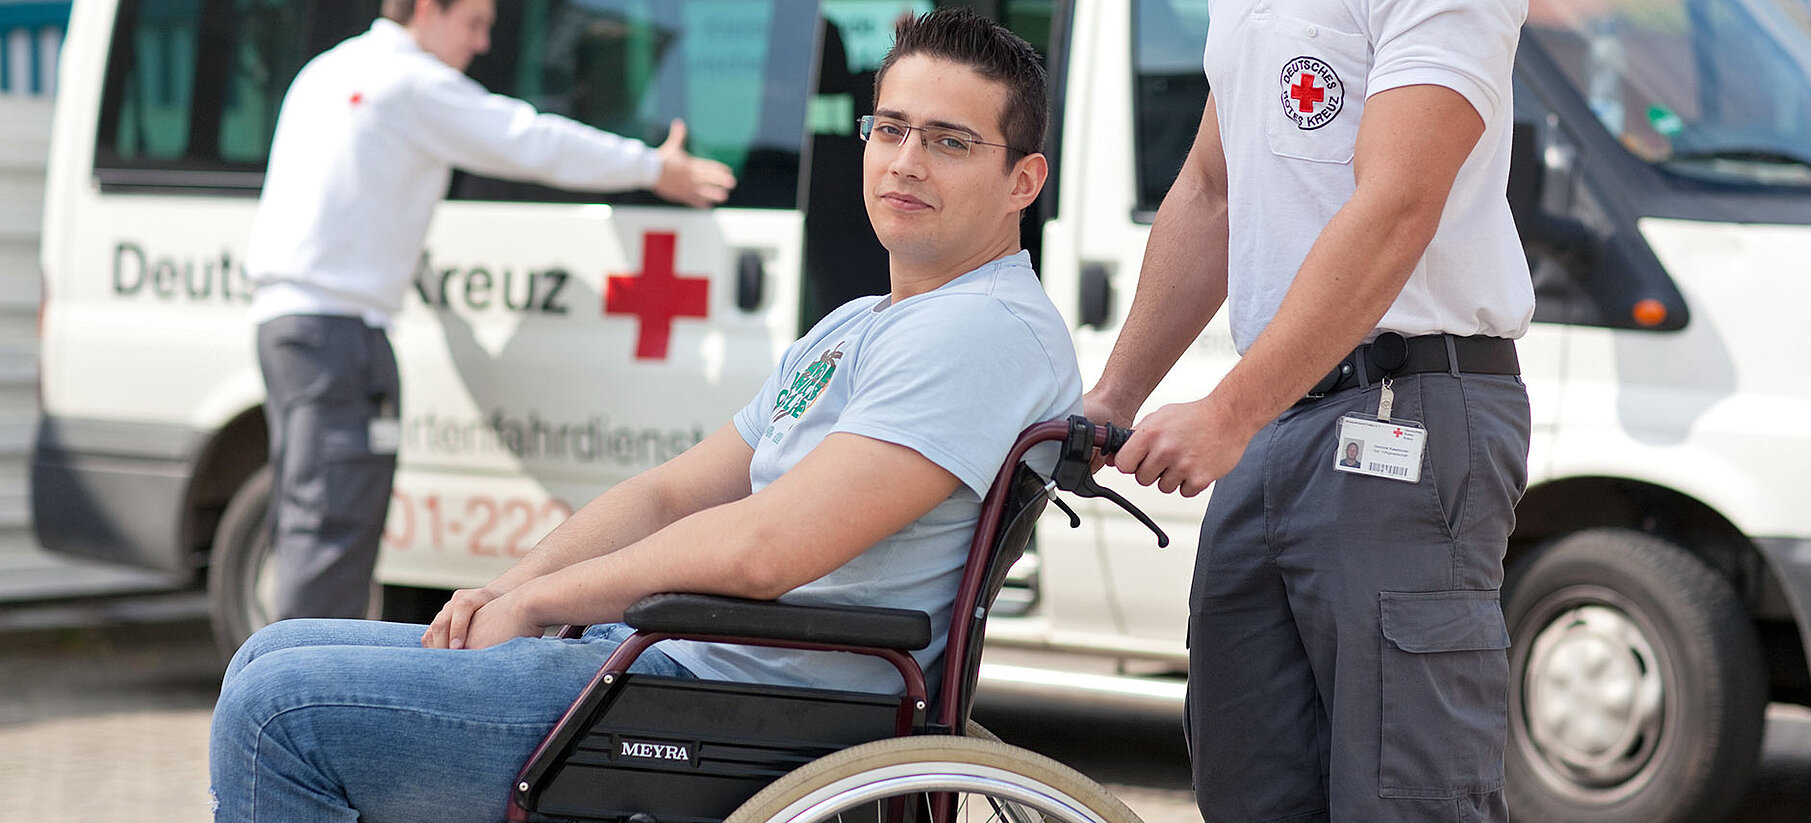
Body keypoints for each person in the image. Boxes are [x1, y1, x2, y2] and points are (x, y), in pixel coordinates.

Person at [210, 10, 1072, 822]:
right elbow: (670, 493)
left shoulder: (980, 330)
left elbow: (765, 547)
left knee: (277, 711)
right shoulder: (862, 321)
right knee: (271, 649)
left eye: (949, 141)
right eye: (890, 128)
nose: (906, 161)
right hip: (681, 660)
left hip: (743, 709)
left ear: (1022, 181)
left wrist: (541, 601)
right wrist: (506, 591)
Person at [1080, 2, 1533, 821]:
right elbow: (1213, 191)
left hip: (1404, 407)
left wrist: (1228, 412)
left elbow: (1399, 203)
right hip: (1277, 410)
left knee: (1407, 801)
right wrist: (1113, 397)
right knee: (1247, 786)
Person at [245, 0, 739, 625]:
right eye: (475, 24)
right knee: (332, 528)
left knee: (310, 519)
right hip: (340, 333)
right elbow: (530, 140)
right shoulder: (413, 83)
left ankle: (288, 665)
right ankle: (300, 677)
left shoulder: (329, 69)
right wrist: (652, 167)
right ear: (429, 9)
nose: (481, 45)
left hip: (293, 329)